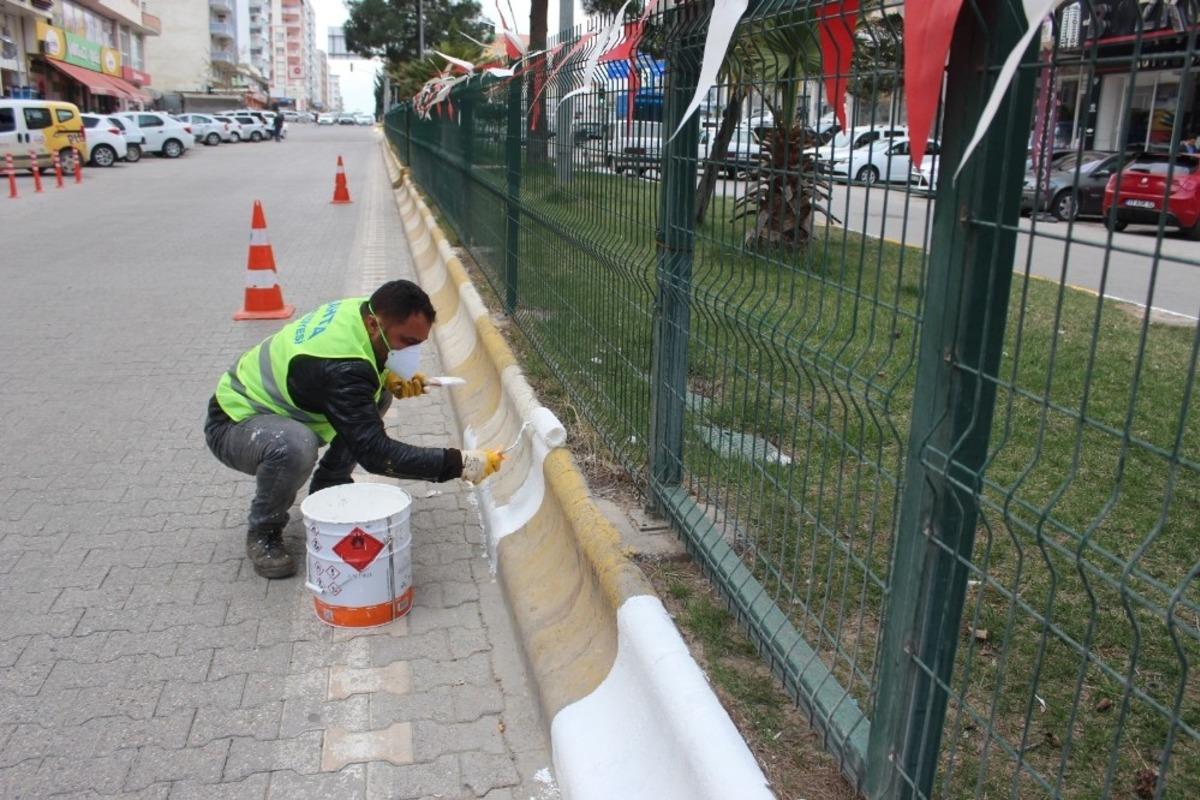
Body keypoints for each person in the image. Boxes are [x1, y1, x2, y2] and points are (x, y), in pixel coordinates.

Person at [204, 280, 504, 579]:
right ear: (374, 324)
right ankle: (264, 532)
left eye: (418, 343)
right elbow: (376, 454)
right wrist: (459, 463)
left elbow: (359, 371)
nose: (412, 352)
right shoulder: (343, 367)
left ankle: (330, 484)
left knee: (375, 394)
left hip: (284, 403)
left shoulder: (362, 311)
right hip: (235, 421)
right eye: (407, 342)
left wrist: (387, 374)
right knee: (295, 446)